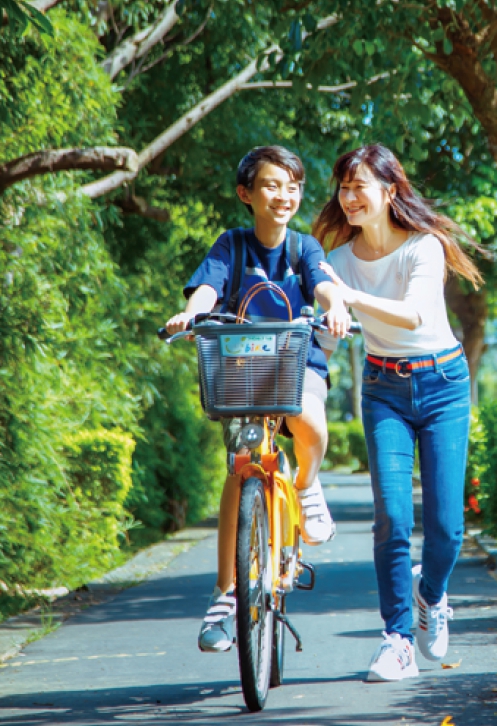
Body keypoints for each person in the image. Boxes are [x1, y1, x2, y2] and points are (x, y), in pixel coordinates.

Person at [166, 146, 350, 653]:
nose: (284, 195)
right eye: (271, 185)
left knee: (308, 418)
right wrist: (190, 315)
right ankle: (225, 594)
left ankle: (308, 486)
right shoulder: (232, 245)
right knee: (242, 466)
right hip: (242, 372)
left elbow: (326, 288)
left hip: (296, 366)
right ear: (247, 194)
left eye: (292, 187)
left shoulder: (304, 249)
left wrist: (333, 309)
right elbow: (206, 291)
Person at [313, 144, 483, 682]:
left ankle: (430, 592)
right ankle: (397, 640)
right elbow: (329, 338)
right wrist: (307, 364)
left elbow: (413, 315)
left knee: (447, 529)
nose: (349, 196)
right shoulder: (335, 264)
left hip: (444, 386)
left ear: (390, 190)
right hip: (383, 388)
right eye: (343, 186)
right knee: (391, 517)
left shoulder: (424, 248)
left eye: (359, 185)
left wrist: (348, 299)